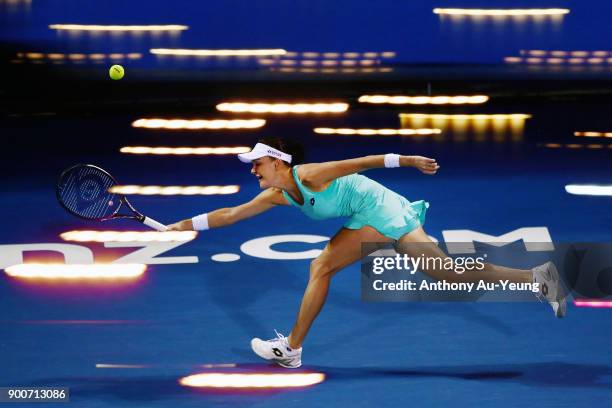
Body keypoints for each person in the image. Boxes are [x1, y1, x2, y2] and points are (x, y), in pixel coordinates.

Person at [167, 137, 566, 368]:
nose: (253, 170)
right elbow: (229, 215)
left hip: (383, 210)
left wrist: (408, 160)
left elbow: (361, 161)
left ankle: (291, 348)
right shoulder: (278, 194)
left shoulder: (309, 174)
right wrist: (178, 227)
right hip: (372, 215)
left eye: (258, 163)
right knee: (333, 267)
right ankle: (292, 349)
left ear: (279, 161)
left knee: (436, 273)